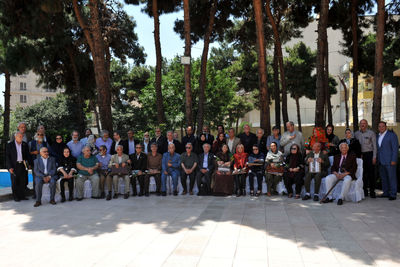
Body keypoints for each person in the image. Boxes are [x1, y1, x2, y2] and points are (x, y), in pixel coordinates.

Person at [354, 119, 377, 198]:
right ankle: (364, 191)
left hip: (369, 154)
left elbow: (374, 146)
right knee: (362, 174)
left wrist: (374, 157)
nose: (363, 125)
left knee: (371, 174)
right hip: (360, 156)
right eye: (361, 123)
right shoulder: (356, 134)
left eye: (364, 123)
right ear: (359, 125)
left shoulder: (371, 133)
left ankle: (372, 191)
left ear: (367, 124)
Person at [376, 121, 398, 200]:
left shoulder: (392, 135)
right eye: (379, 126)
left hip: (390, 161)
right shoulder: (378, 136)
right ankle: (385, 192)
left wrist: (394, 160)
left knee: (392, 178)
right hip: (381, 161)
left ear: (386, 127)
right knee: (384, 178)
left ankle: (393, 194)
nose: (381, 128)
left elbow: (395, 149)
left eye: (383, 126)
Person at [6, 132, 30, 202]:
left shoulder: (25, 144)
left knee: (23, 181)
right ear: (15, 137)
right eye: (19, 136)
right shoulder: (10, 145)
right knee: (14, 182)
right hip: (14, 165)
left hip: (23, 165)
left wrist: (29, 164)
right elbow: (7, 157)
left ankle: (22, 196)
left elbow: (27, 155)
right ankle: (15, 197)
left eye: (22, 136)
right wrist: (9, 167)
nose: (21, 137)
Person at [30, 132, 51, 199]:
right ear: (36, 135)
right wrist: (33, 152)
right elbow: (27, 153)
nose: (40, 136)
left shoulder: (45, 143)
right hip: (35, 163)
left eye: (42, 135)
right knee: (35, 179)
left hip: (44, 163)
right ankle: (35, 194)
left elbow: (49, 151)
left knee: (44, 178)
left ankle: (44, 194)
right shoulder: (31, 143)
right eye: (38, 134)